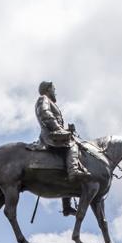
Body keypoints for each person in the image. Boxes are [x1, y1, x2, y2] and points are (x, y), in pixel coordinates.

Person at [34, 81, 86, 216]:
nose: (55, 92)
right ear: (47, 89)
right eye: (53, 89)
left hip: (55, 133)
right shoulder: (43, 99)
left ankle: (67, 206)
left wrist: (67, 129)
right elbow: (45, 114)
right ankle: (74, 170)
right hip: (50, 136)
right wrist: (59, 129)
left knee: (68, 152)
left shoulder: (50, 101)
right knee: (73, 145)